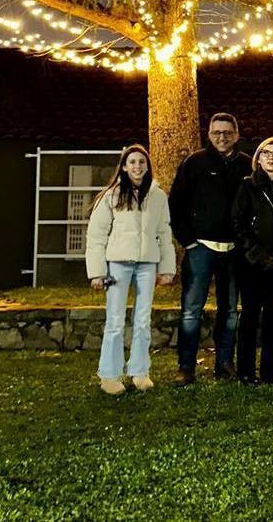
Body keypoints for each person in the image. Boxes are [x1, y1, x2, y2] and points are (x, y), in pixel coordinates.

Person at [168, 113, 251, 385]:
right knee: (191, 310)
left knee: (230, 311)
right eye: (217, 132)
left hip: (234, 251)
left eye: (227, 132)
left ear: (236, 134)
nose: (222, 137)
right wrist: (188, 241)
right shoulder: (195, 163)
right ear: (209, 134)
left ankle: (224, 363)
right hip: (200, 249)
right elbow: (175, 203)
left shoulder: (247, 165)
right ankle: (186, 367)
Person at [86, 145, 175, 395]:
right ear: (124, 167)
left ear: (147, 166)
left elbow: (164, 232)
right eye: (132, 162)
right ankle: (109, 375)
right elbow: (96, 234)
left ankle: (139, 371)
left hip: (147, 264)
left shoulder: (158, 196)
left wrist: (166, 268)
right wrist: (97, 272)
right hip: (118, 264)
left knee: (143, 320)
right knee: (115, 320)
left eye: (141, 162)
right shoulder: (112, 195)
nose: (137, 166)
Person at [232, 137, 273, 385]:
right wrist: (256, 254)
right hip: (251, 262)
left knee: (272, 316)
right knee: (249, 316)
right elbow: (238, 222)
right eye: (266, 153)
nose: (271, 157)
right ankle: (246, 371)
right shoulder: (247, 186)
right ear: (258, 158)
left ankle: (269, 371)